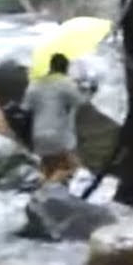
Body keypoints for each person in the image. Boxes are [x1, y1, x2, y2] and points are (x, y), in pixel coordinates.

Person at [23, 53, 88, 184]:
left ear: (51, 66)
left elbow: (25, 107)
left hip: (38, 135)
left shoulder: (35, 84)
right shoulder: (65, 82)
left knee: (47, 170)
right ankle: (55, 189)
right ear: (66, 68)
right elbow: (81, 102)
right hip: (59, 135)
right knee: (73, 170)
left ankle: (45, 193)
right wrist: (85, 89)